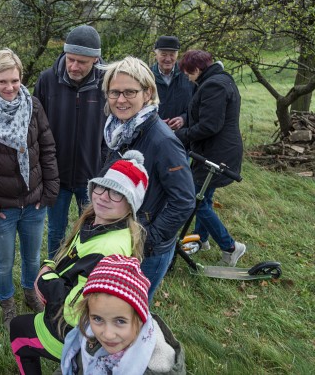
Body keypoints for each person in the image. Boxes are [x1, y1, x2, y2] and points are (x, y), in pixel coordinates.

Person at [9, 151, 149, 374]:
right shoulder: (97, 221)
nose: (103, 196)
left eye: (117, 194)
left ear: (130, 206)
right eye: (101, 187)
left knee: (18, 331)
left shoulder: (108, 250)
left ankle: (71, 362)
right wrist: (50, 264)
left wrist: (45, 277)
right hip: (65, 318)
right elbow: (69, 256)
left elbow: (75, 310)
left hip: (73, 333)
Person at [0, 48, 59, 330]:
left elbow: (46, 147)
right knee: (4, 262)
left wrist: (50, 190)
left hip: (33, 202)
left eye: (15, 80)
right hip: (1, 207)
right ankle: (7, 304)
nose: (9, 87)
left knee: (32, 257)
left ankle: (31, 292)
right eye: (3, 81)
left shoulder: (33, 106)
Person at [100, 56, 195, 303]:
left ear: (148, 92)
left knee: (130, 311)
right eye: (114, 92)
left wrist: (146, 239)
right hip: (120, 237)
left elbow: (184, 200)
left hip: (146, 249)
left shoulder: (162, 141)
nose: (120, 100)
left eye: (129, 92)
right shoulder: (118, 131)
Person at [34, 24, 107, 259]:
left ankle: (87, 267)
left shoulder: (108, 84)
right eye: (70, 59)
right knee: (56, 229)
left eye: (82, 62)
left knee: (94, 226)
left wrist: (104, 164)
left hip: (94, 175)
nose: (74, 66)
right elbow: (35, 128)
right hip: (57, 175)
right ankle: (54, 268)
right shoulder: (46, 80)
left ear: (95, 60)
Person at [61, 254, 186, 375]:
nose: (108, 335)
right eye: (98, 319)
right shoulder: (87, 332)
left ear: (140, 320)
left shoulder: (156, 367)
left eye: (120, 321)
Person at [177, 50, 246, 266]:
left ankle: (231, 247)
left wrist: (180, 135)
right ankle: (201, 239)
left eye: (188, 73)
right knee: (204, 197)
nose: (188, 78)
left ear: (196, 70)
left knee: (194, 200)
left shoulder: (213, 85)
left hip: (216, 153)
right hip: (217, 151)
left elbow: (209, 125)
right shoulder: (220, 80)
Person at [151, 36, 195, 132]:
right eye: (163, 54)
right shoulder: (147, 77)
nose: (168, 59)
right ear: (156, 55)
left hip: (184, 135)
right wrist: (153, 121)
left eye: (172, 54)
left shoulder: (189, 75)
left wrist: (184, 119)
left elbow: (197, 104)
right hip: (154, 133)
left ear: (177, 55)